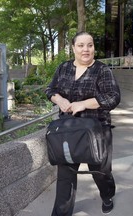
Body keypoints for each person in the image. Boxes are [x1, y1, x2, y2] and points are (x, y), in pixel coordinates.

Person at [45, 31, 121, 215]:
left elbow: (113, 97)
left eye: (90, 45)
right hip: (68, 130)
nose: (86, 49)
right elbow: (50, 89)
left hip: (97, 131)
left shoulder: (102, 70)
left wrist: (83, 104)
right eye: (81, 45)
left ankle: (107, 194)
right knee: (65, 176)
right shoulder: (63, 68)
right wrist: (59, 100)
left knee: (101, 172)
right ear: (73, 48)